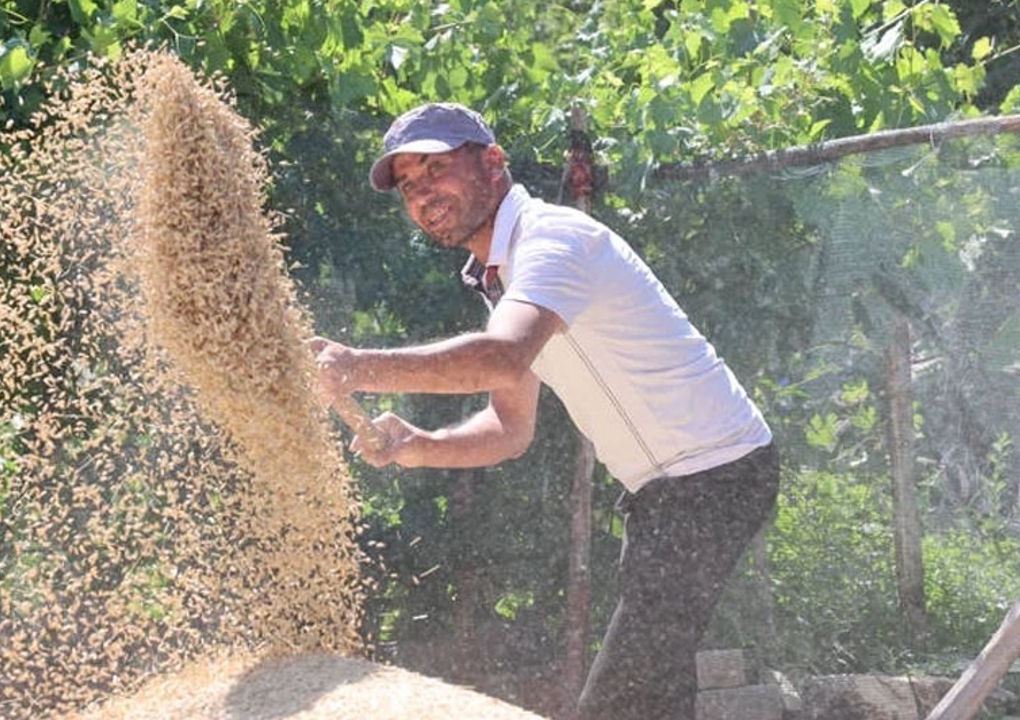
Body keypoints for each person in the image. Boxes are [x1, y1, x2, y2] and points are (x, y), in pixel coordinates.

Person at [312, 102, 779, 720]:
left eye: (436, 169)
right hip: (667, 494)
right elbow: (510, 428)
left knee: (624, 698)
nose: (424, 194)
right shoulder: (501, 275)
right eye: (409, 185)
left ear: (493, 163)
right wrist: (416, 444)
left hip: (717, 477)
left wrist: (357, 368)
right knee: (652, 691)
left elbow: (503, 358)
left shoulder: (554, 240)